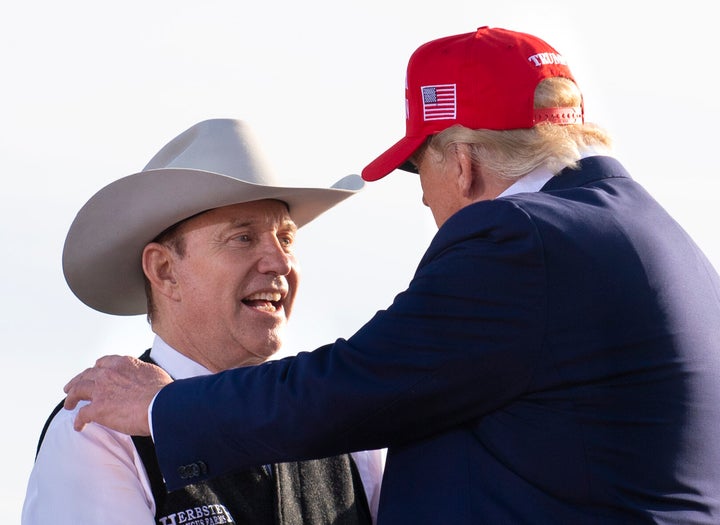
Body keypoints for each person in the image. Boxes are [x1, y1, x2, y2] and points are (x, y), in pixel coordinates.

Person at [63, 27, 720, 524]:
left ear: (460, 161)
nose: (426, 199)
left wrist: (162, 407)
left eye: (419, 167)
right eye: (240, 237)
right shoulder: (656, 237)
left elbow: (358, 384)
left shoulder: (516, 237)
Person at [23, 118, 383, 525]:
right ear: (163, 271)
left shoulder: (346, 431)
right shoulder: (98, 431)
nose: (280, 262)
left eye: (286, 238)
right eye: (242, 237)